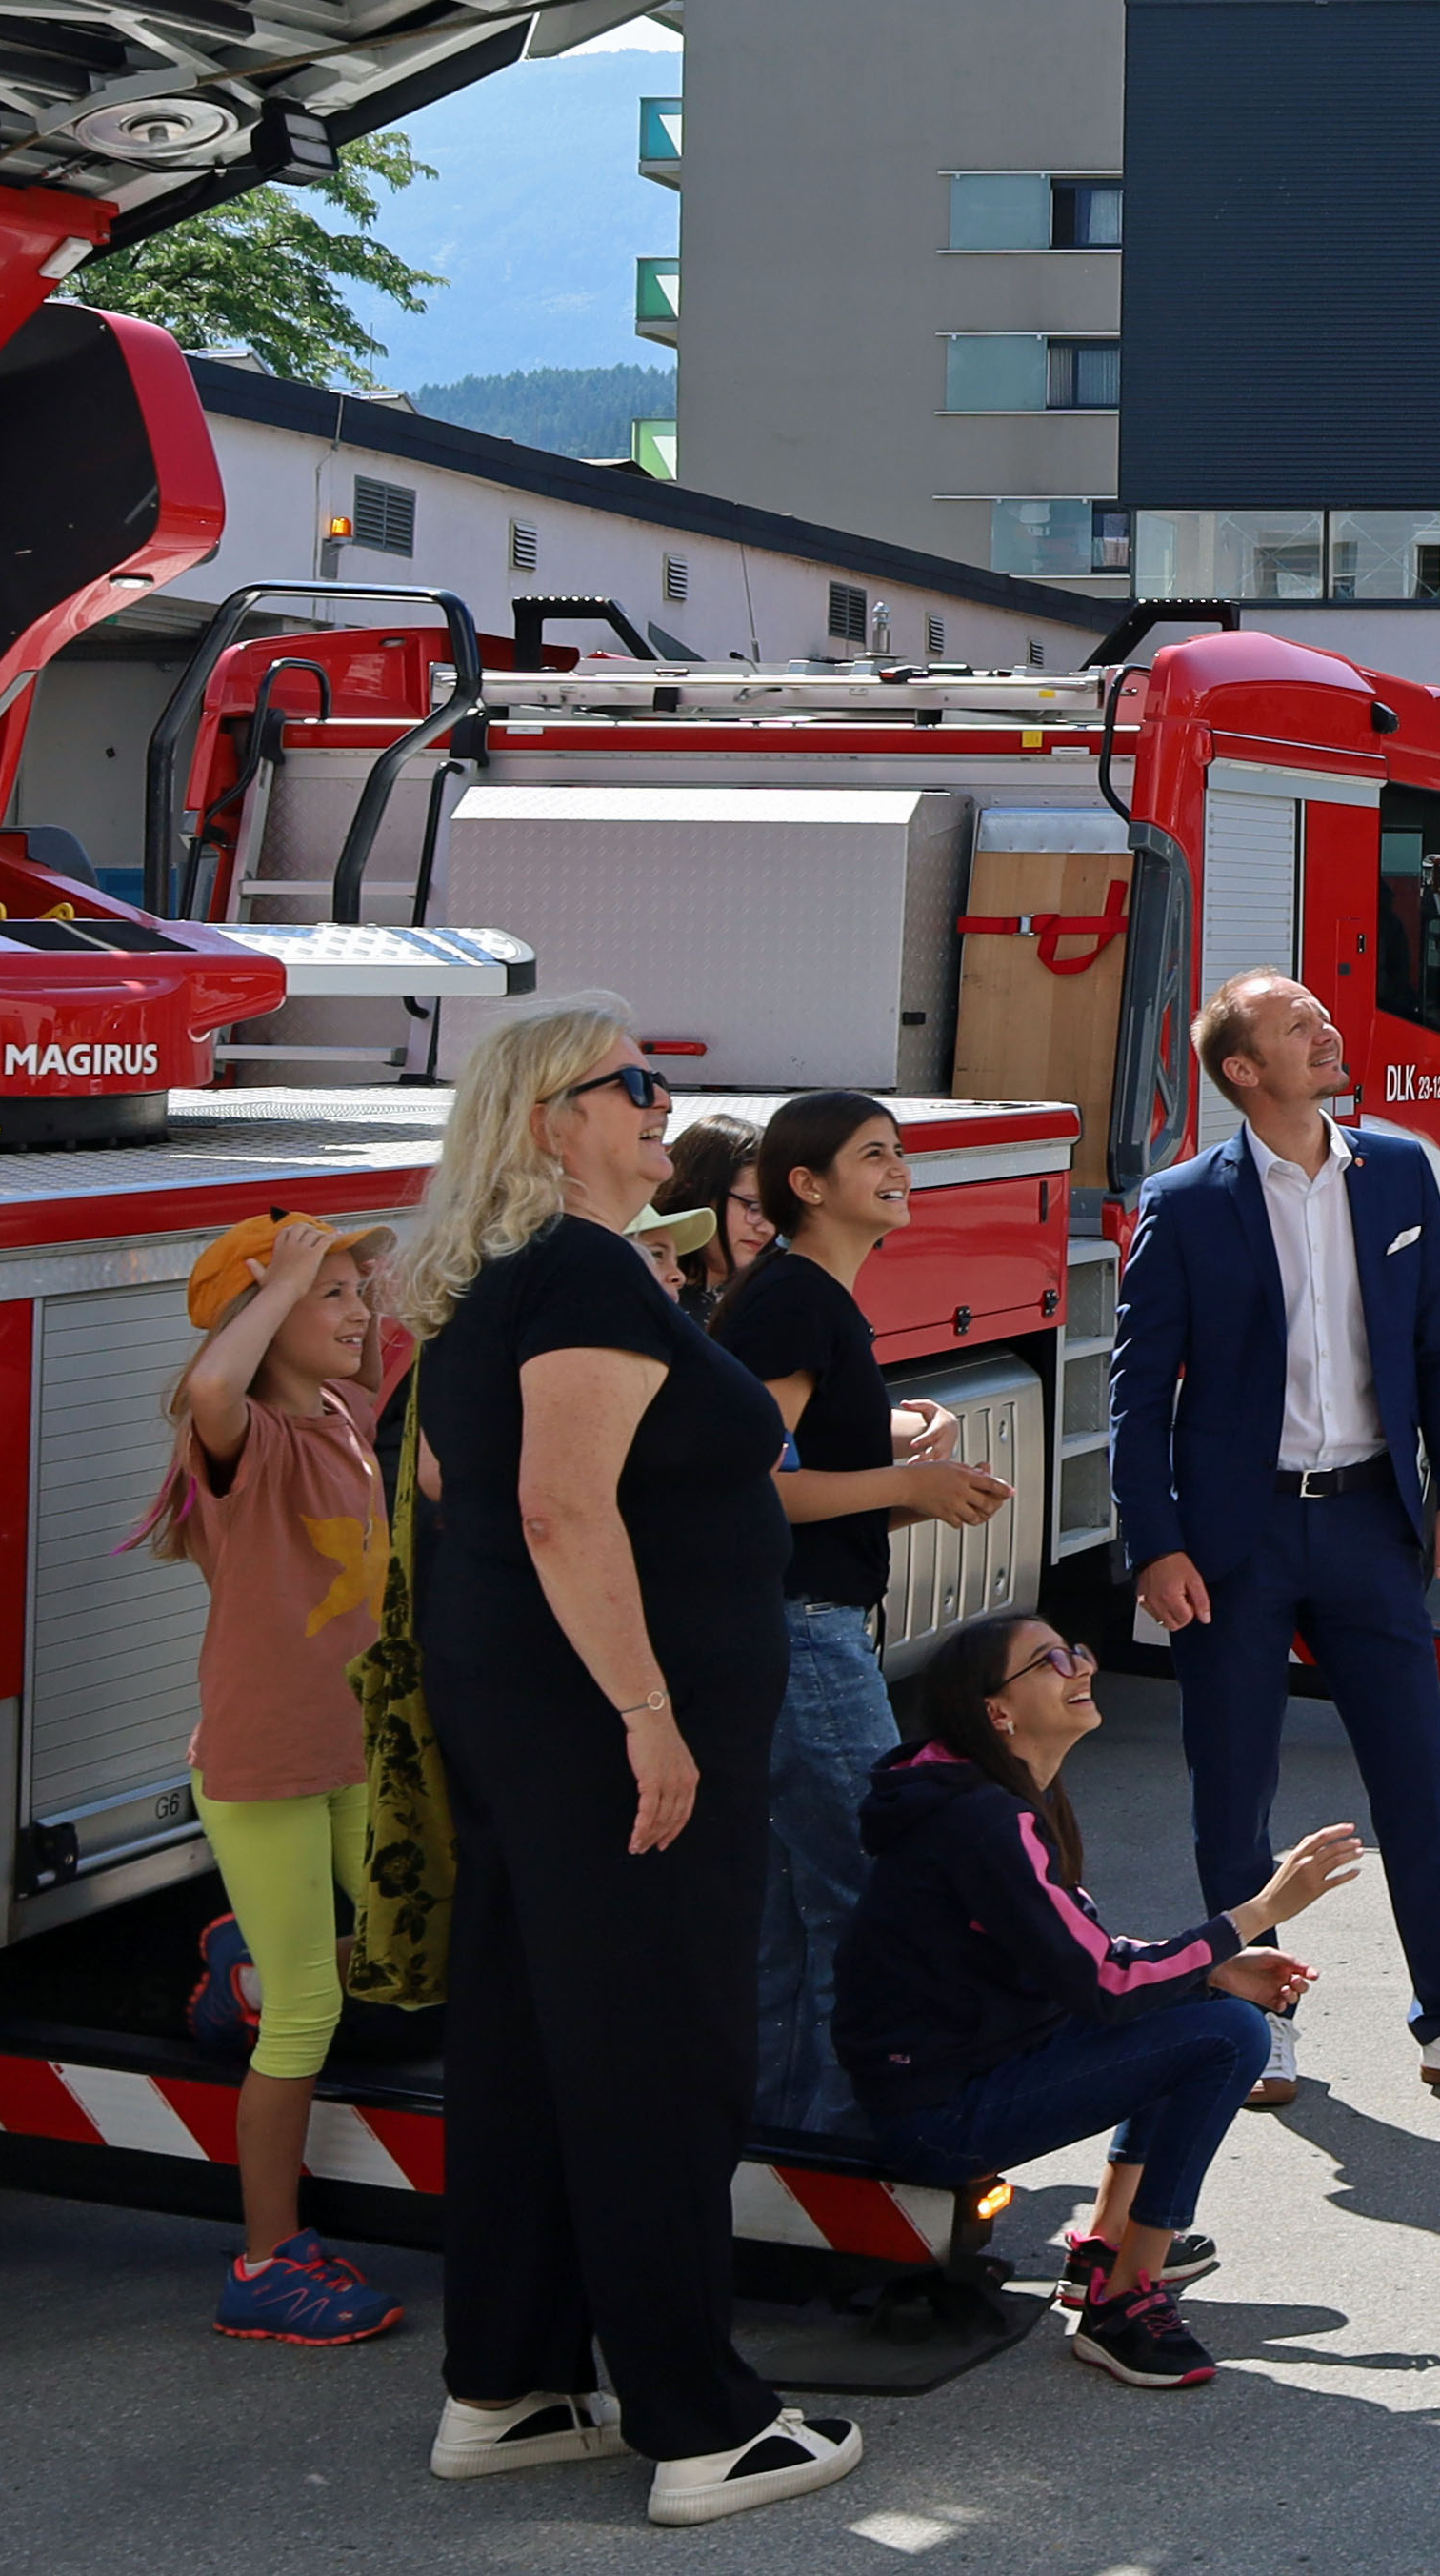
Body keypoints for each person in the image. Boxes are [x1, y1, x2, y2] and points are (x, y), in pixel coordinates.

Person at [388, 1000, 865, 2527]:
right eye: (638, 1085)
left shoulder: (506, 1275)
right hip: (609, 1726)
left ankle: (511, 2385)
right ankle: (700, 2419)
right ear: (551, 1117)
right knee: (659, 2051)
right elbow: (556, 1508)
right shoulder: (585, 1269)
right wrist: (648, 1710)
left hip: (527, 1706)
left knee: (534, 2045)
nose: (670, 1105)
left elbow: (466, 1479)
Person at [1113, 972, 1440, 2112]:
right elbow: (1137, 1392)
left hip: (1368, 1520)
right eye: (1296, 1025)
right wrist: (1153, 1544)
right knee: (1233, 1791)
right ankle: (1256, 2021)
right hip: (1233, 1536)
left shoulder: (1397, 1169)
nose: (1326, 1030)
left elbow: (1439, 1346)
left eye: (1321, 1015)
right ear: (1243, 1071)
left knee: (1417, 1782)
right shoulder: (1184, 1201)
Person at [833, 1614, 1362, 2389]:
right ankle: (1122, 2303)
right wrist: (1253, 1913)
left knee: (1198, 2013)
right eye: (1048, 1661)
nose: (1079, 1665)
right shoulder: (985, 1816)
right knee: (1226, 2037)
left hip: (965, 2071)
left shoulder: (992, 1795)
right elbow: (1106, 1984)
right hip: (936, 2117)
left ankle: (1106, 2253)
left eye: (1076, 1648)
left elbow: (1081, 1959)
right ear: (997, 1712)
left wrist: (1209, 1968)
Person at [715, 1090, 1012, 2138]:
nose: (899, 1171)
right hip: (800, 1628)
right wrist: (906, 1490)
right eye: (873, 1155)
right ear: (807, 1184)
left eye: (900, 1153)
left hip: (799, 1621)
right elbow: (745, 1485)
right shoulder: (794, 1300)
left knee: (800, 1913)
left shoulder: (809, 1297)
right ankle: (857, 2161)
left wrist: (903, 1468)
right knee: (869, 1897)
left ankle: (784, 2149)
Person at [136, 1212, 403, 2346]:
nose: (355, 1312)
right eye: (328, 1294)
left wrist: (360, 1283)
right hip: (268, 1768)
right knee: (308, 2016)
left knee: (415, 1949)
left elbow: (408, 1328)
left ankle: (240, 1958)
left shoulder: (344, 1413)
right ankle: (264, 2260)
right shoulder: (239, 1441)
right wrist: (277, 1281)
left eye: (355, 1292)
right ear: (261, 1317)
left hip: (356, 1749)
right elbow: (211, 1393)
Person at [658, 1119, 765, 1321]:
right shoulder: (643, 1287)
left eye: (776, 1211)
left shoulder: (772, 1294)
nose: (767, 1227)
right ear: (696, 1192)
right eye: (754, 1206)